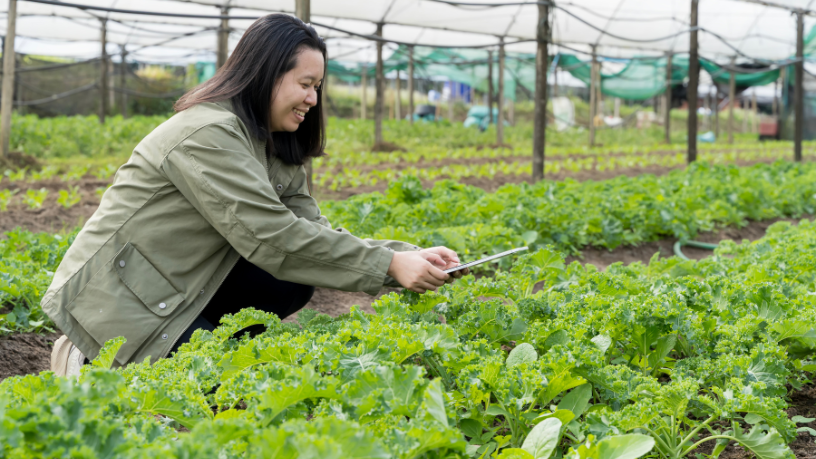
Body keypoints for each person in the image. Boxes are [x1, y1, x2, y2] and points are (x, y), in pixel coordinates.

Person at [45, 14, 466, 377]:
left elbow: (310, 232)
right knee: (213, 392)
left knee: (293, 282)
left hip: (176, 292)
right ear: (267, 72)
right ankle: (85, 356)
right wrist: (389, 264)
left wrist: (405, 255)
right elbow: (271, 237)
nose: (312, 99)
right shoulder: (207, 133)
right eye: (305, 84)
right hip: (117, 305)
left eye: (317, 86)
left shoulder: (269, 143)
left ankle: (204, 344)